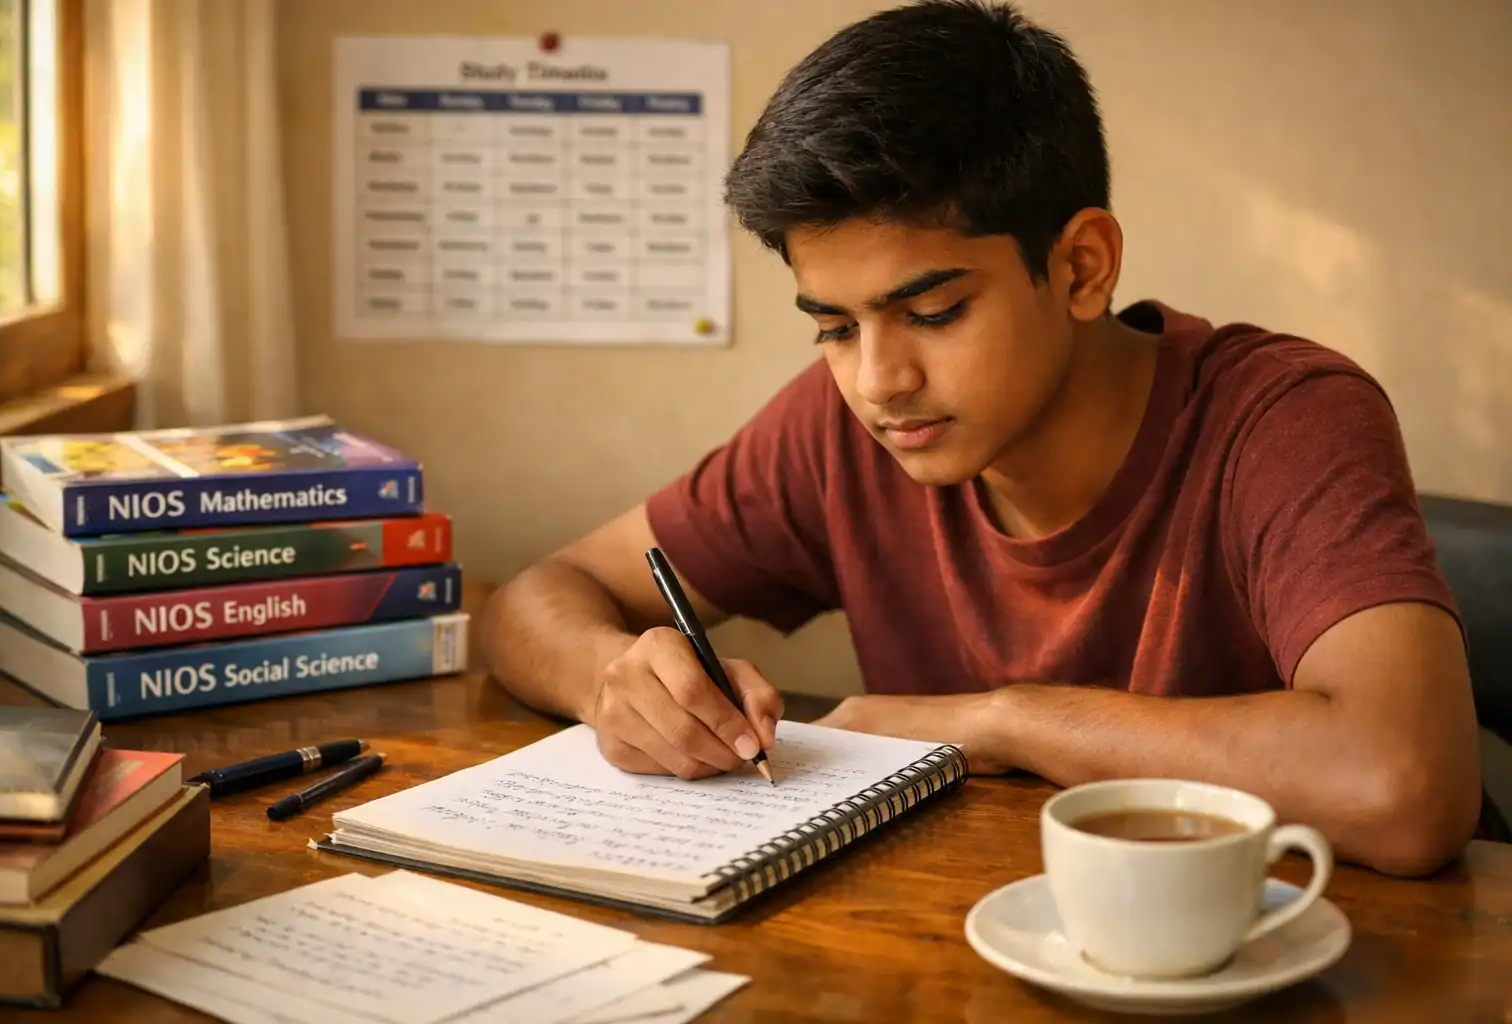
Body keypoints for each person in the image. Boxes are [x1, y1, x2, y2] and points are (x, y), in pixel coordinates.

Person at [481, 0, 1483, 877]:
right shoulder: (841, 430)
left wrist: (995, 718)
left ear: (1083, 266)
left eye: (935, 311)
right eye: (833, 326)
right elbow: (534, 600)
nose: (878, 381)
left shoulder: (1283, 417)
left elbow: (1403, 783)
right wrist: (613, 679)